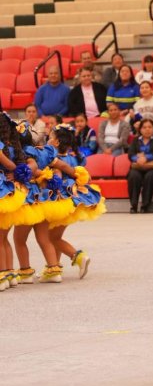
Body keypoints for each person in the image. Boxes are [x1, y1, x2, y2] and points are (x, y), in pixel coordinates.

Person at [13, 122, 77, 284]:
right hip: (43, 200)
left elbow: (32, 168)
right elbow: (62, 165)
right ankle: (53, 269)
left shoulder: (23, 152)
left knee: (19, 239)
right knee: (43, 238)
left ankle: (25, 272)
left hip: (28, 201)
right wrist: (78, 175)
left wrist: (37, 173)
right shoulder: (45, 150)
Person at [47, 124, 104, 279]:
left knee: (51, 237)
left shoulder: (54, 159)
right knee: (55, 234)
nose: (48, 140)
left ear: (57, 141)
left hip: (60, 200)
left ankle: (78, 256)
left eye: (51, 137)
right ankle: (54, 268)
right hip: (72, 200)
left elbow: (57, 178)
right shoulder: (75, 157)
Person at [0, 113, 28, 290]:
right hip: (12, 192)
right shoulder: (14, 146)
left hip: (3, 191)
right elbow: (19, 166)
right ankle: (10, 273)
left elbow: (9, 165)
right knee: (4, 237)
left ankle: (2, 275)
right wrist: (17, 172)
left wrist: (14, 170)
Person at [127, 119, 153, 213]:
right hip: (138, 166)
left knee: (150, 176)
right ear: (140, 129)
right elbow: (130, 153)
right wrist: (137, 159)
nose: (147, 129)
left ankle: (145, 205)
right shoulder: (136, 140)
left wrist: (146, 158)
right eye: (144, 127)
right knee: (133, 176)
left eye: (150, 127)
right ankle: (134, 205)